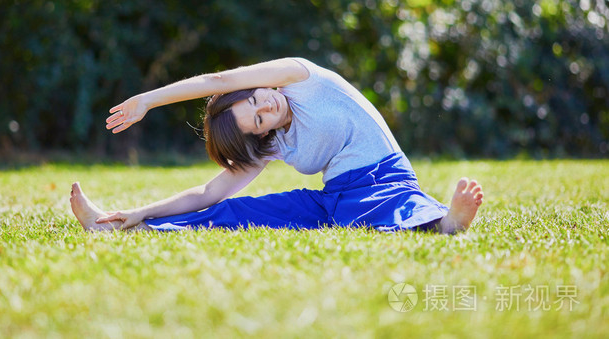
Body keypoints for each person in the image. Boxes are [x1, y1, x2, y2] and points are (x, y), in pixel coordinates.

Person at [70, 58, 483, 234]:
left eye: (254, 99)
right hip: (334, 199)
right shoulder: (272, 143)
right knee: (229, 210)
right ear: (262, 134)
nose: (264, 105)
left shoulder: (299, 76)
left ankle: (445, 224)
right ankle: (113, 228)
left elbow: (216, 82)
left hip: (382, 180)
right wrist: (140, 211)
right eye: (260, 119)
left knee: (383, 207)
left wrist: (148, 100)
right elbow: (210, 192)